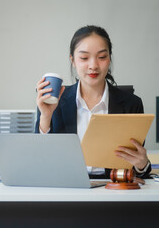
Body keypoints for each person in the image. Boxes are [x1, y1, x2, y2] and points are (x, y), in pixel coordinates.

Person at [35, 25, 151, 179]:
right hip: (68, 188)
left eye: (102, 57)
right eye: (84, 58)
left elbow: (135, 167)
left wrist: (142, 164)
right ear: (73, 60)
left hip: (113, 190)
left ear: (109, 59)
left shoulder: (131, 104)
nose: (93, 66)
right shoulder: (54, 101)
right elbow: (40, 160)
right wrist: (45, 116)